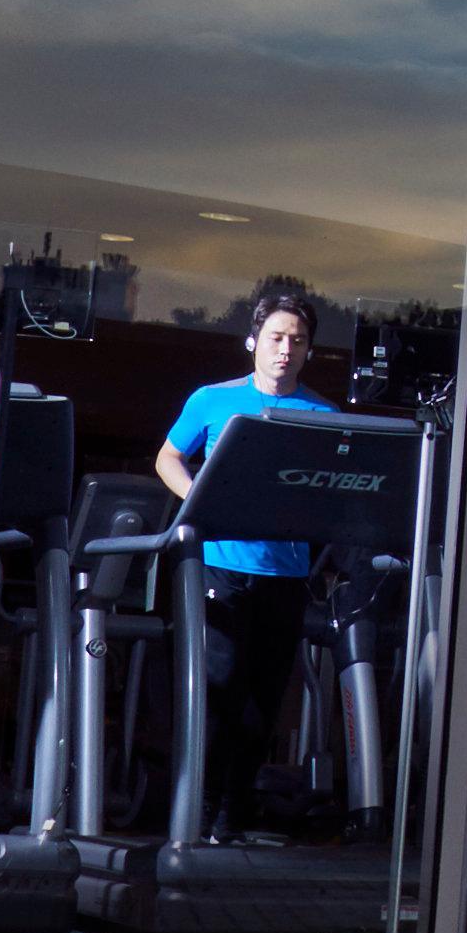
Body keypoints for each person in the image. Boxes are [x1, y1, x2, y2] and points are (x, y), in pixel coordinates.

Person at [158, 279, 331, 825]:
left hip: (285, 573)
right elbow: (167, 458)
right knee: (218, 689)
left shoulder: (324, 415)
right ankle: (195, 807)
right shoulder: (212, 399)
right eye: (278, 336)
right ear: (254, 340)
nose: (287, 348)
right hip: (220, 566)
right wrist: (200, 501)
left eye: (298, 340)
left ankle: (233, 812)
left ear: (308, 350)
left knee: (264, 698)